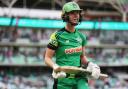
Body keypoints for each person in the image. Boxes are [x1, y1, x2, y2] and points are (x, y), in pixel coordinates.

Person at [45, 1, 101, 89]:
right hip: (62, 79)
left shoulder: (81, 37)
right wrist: (55, 66)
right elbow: (47, 58)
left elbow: (82, 57)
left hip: (80, 77)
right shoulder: (56, 36)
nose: (76, 15)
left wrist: (91, 64)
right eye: (72, 13)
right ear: (65, 15)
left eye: (78, 13)